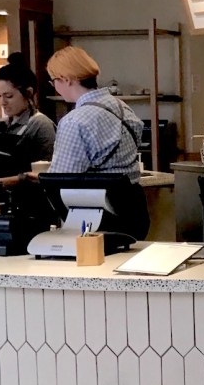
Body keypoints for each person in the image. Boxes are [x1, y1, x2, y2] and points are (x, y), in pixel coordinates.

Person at [44, 46, 150, 240]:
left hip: (98, 214)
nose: (55, 87)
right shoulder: (123, 108)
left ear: (66, 79)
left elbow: (61, 179)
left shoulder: (75, 121)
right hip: (135, 206)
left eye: (54, 81)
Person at [0, 54, 56, 187]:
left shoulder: (41, 125)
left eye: (9, 96)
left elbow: (46, 173)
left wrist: (2, 181)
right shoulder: (3, 124)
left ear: (29, 93)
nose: (3, 102)